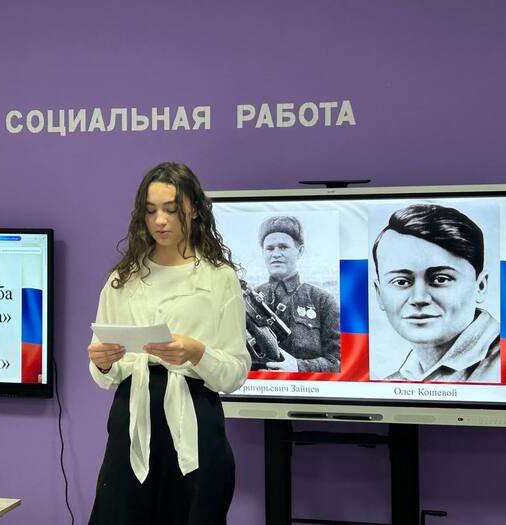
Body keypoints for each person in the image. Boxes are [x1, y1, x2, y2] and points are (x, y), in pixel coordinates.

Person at [87, 162, 251, 525]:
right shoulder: (123, 278)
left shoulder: (219, 278)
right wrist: (103, 361)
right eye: (150, 211)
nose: (160, 221)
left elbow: (235, 372)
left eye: (171, 209)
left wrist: (197, 352)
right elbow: (104, 374)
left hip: (195, 415)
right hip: (133, 415)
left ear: (194, 210)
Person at [372, 203, 500, 382]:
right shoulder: (389, 383)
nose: (419, 298)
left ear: (480, 286)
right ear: (379, 293)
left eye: (440, 279)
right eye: (401, 282)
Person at [247, 215, 340, 372]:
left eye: (283, 247)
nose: (276, 254)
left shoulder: (322, 301)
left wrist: (299, 367)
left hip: (304, 387)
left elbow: (337, 362)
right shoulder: (249, 300)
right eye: (270, 248)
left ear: (300, 251)